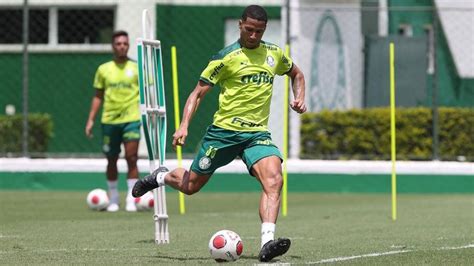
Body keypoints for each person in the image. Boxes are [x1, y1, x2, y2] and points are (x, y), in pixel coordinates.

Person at [133, 5, 306, 262]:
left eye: (259, 31)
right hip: (222, 134)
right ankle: (161, 176)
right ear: (240, 25)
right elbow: (198, 93)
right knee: (190, 186)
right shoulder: (225, 57)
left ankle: (267, 243)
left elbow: (297, 74)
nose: (254, 36)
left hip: (256, 134)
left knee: (274, 180)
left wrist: (299, 98)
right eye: (249, 30)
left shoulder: (274, 54)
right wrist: (184, 125)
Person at [85, 30, 141, 212]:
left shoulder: (137, 68)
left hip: (131, 119)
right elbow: (97, 96)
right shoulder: (103, 69)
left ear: (128, 45)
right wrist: (90, 120)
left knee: (132, 158)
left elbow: (147, 93)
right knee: (112, 159)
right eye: (118, 43)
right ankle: (114, 197)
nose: (122, 46)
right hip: (109, 120)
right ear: (113, 46)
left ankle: (132, 199)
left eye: (125, 43)